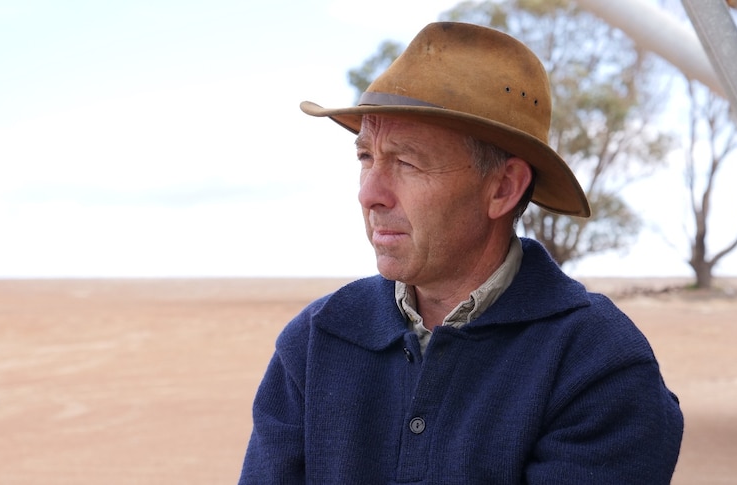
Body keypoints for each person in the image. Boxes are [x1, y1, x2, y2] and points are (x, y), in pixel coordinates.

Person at [240, 22, 683, 484]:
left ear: (503, 188)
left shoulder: (597, 361)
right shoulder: (317, 339)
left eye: (407, 161)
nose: (369, 194)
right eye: (366, 158)